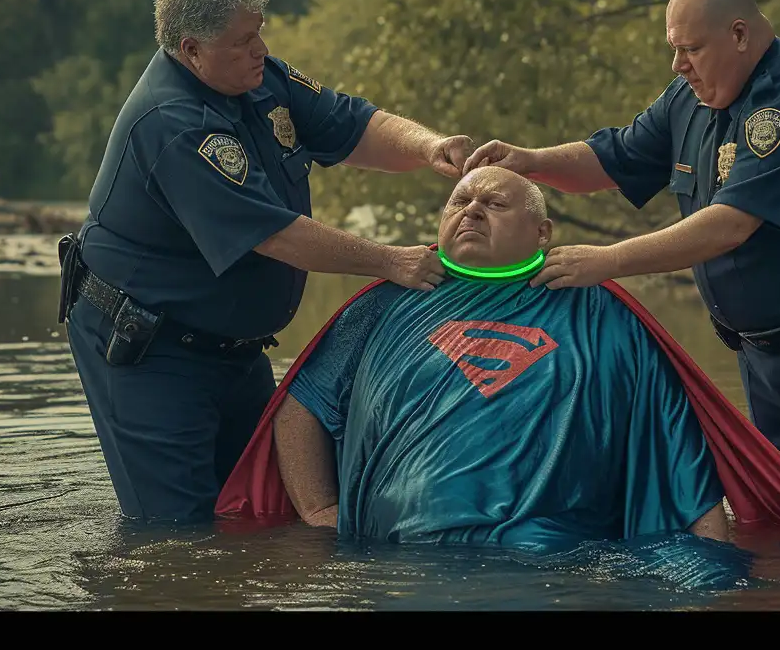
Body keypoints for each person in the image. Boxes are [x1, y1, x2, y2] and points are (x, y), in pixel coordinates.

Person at [466, 0, 780, 548]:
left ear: (739, 34)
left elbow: (730, 225)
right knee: (769, 515)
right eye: (673, 49)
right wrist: (531, 161)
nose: (677, 65)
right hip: (769, 345)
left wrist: (607, 261)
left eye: (689, 49)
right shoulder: (689, 100)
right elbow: (612, 158)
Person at [61, 0, 470, 522]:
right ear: (191, 50)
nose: (260, 49)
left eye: (259, 34)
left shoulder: (258, 76)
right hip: (146, 349)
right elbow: (274, 234)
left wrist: (430, 147)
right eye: (242, 41)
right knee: (177, 539)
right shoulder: (172, 122)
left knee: (259, 512)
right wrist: (391, 261)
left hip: (230, 345)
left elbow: (350, 125)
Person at [257, 167, 734, 547]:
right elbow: (300, 403)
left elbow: (670, 436)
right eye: (459, 202)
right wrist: (320, 513)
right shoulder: (385, 300)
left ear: (543, 232)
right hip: (403, 558)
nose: (472, 212)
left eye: (495, 203)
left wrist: (716, 562)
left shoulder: (598, 307)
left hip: (554, 558)